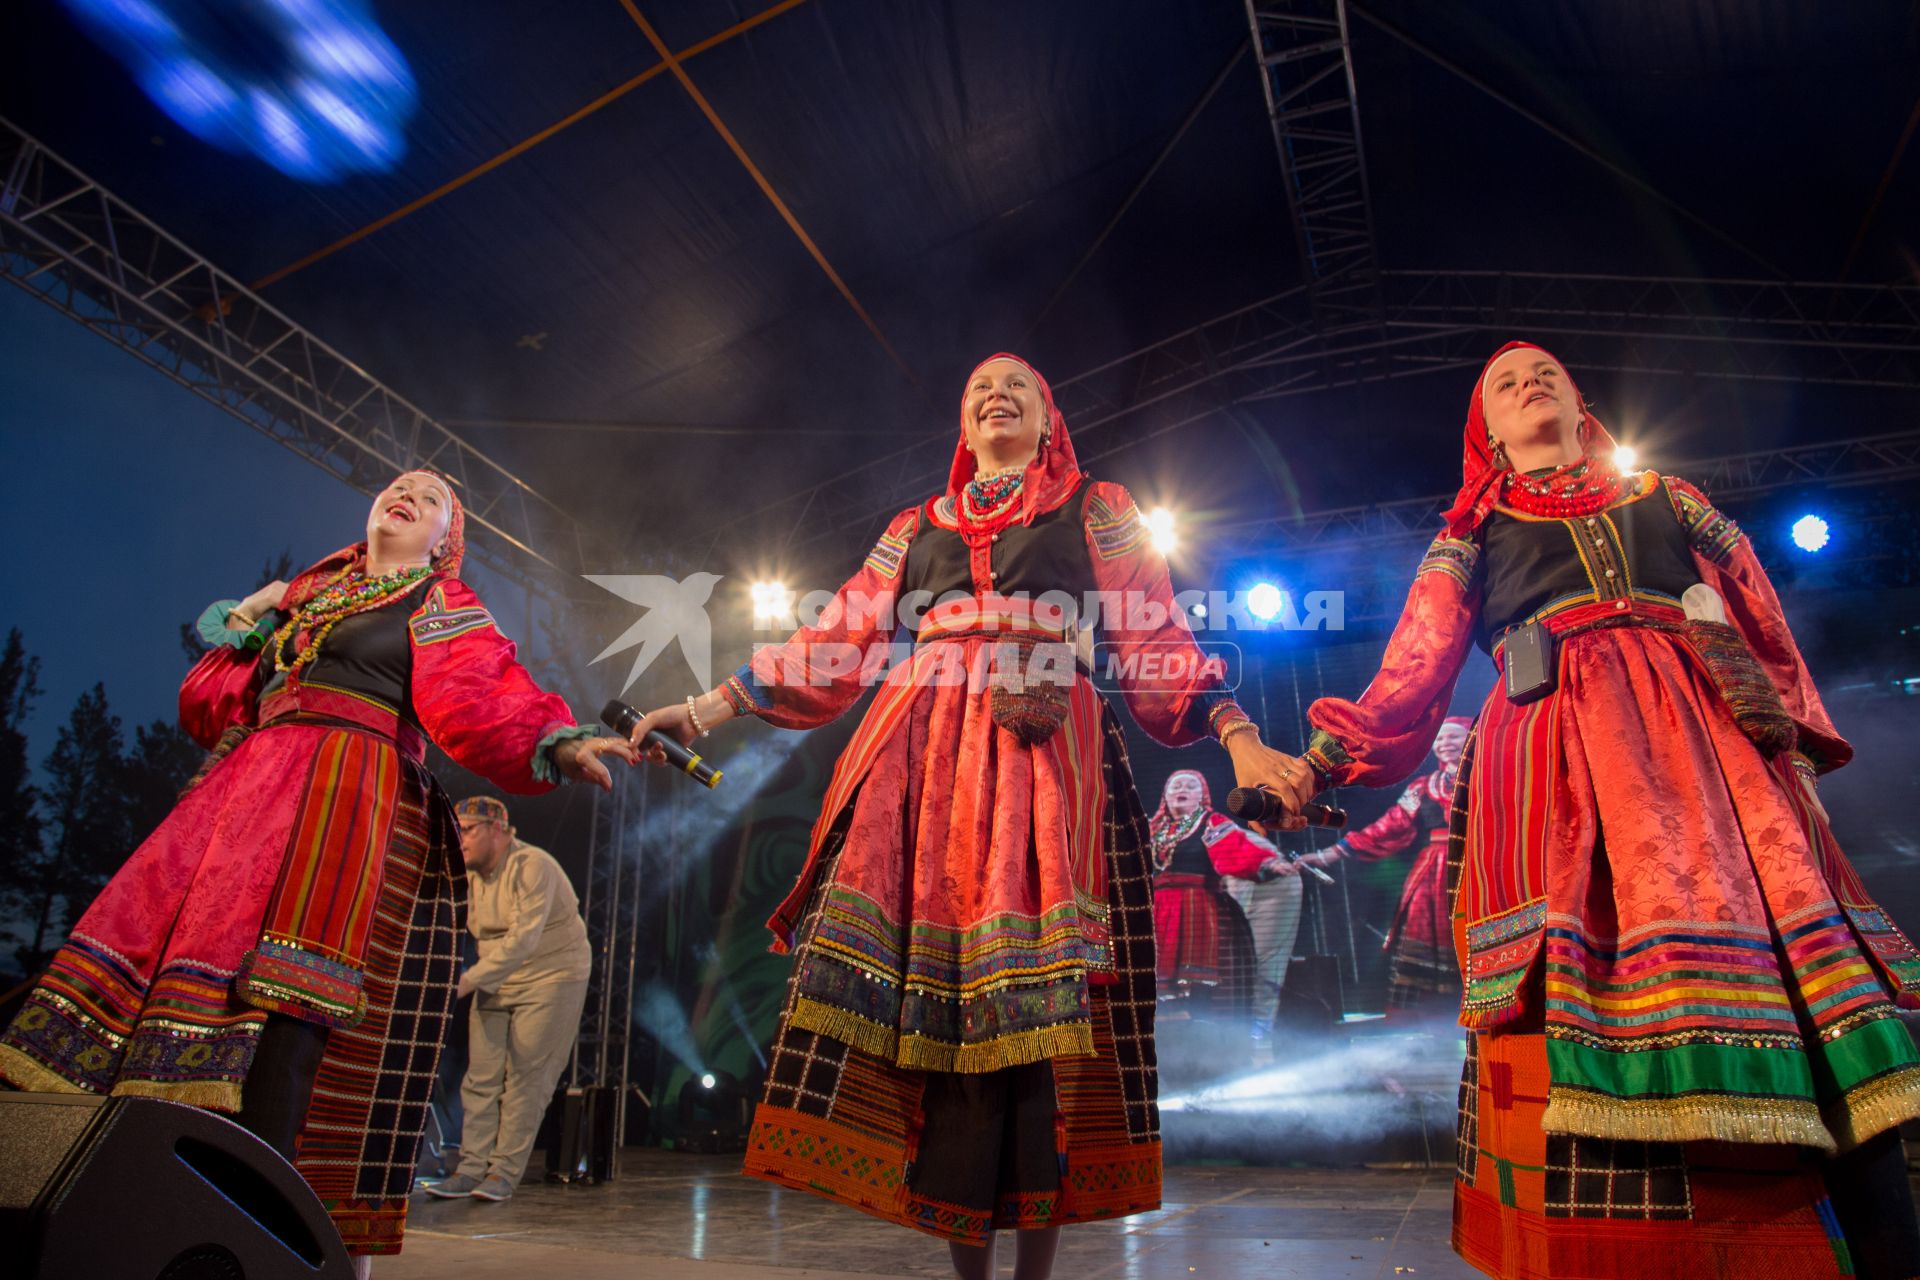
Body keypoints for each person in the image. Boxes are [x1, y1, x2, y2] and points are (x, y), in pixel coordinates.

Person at [624, 354, 1307, 1280]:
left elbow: (1154, 633)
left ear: (1048, 420)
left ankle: (1032, 1273)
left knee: (1039, 1007)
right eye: (981, 388)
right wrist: (703, 711)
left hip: (1045, 754)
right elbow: (835, 642)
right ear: (962, 422)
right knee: (942, 1018)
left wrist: (1234, 734)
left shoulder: (1095, 505)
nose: (997, 395)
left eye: (1019, 387)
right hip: (927, 762)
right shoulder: (914, 527)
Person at [1262, 341, 1920, 1279]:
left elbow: (1756, 614)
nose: (1527, 383)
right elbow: (1412, 669)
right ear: (1485, 431)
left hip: (1708, 752)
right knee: (1578, 992)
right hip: (1553, 765)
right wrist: (1318, 767)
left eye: (1546, 373)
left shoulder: (1666, 495)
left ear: (1581, 404)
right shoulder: (1471, 534)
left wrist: (1790, 741)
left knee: (1793, 974)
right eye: (1502, 382)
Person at [0, 471, 635, 1269]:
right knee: (179, 978)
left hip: (343, 791)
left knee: (289, 1008)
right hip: (243, 797)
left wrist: (559, 741)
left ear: (445, 540)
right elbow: (207, 709)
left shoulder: (439, 605)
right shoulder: (306, 601)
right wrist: (249, 624)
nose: (403, 494)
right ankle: (140, 1209)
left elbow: (483, 695)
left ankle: (267, 1235)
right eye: (395, 486)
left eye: (428, 497)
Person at [424, 795, 591, 1203]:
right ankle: (470, 1167)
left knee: (526, 1079)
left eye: (468, 830)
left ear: (498, 830)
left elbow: (522, 940)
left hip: (550, 975)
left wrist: (465, 982)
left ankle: (503, 1172)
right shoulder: (471, 876)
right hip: (497, 976)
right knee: (480, 1076)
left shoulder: (533, 866)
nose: (459, 839)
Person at [1298, 716, 1471, 1018]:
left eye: (1453, 737)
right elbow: (1390, 826)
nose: (1444, 744)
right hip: (1433, 872)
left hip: (1477, 862)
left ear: (1470, 739)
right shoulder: (1422, 787)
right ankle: (1428, 1020)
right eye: (1440, 739)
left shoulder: (1488, 775)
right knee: (1424, 935)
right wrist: (1331, 854)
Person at [1149, 769, 1301, 1036]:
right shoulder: (1151, 829)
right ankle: (1165, 1039)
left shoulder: (1210, 823)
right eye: (1175, 787)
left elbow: (1234, 849)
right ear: (1165, 796)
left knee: (1202, 983)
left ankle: (1209, 1037)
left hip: (1199, 909)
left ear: (1201, 796)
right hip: (1157, 912)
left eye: (1189, 786)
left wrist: (1267, 863)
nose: (1181, 790)